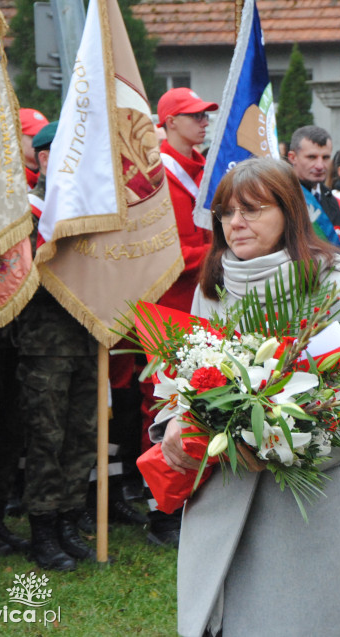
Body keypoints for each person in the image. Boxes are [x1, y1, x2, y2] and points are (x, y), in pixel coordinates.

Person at [153, 157, 340, 636]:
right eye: (225, 212)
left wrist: (274, 441)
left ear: (289, 212)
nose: (235, 223)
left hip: (304, 506)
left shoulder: (328, 283)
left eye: (252, 209)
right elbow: (181, 374)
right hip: (220, 494)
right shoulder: (214, 285)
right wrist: (176, 419)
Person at [16, 121, 100, 571]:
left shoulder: (90, 209)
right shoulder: (27, 213)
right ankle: (43, 529)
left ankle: (70, 517)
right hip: (45, 344)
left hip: (88, 338)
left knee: (82, 435)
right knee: (47, 438)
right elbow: (26, 280)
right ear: (45, 158)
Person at [140, 87, 219, 547]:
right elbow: (163, 252)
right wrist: (218, 254)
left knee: (202, 402)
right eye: (193, 116)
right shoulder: (159, 174)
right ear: (169, 123)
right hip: (170, 307)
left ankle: (191, 495)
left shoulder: (205, 168)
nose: (203, 123)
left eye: (206, 115)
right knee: (165, 407)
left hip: (203, 300)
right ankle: (162, 512)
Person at [287, 125, 340, 257]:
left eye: (326, 157)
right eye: (311, 157)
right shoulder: (283, 196)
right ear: (292, 157)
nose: (320, 166)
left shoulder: (329, 197)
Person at [19, 108, 49, 189]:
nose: (42, 142)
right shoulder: (5, 178)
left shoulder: (53, 177)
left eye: (45, 138)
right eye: (34, 137)